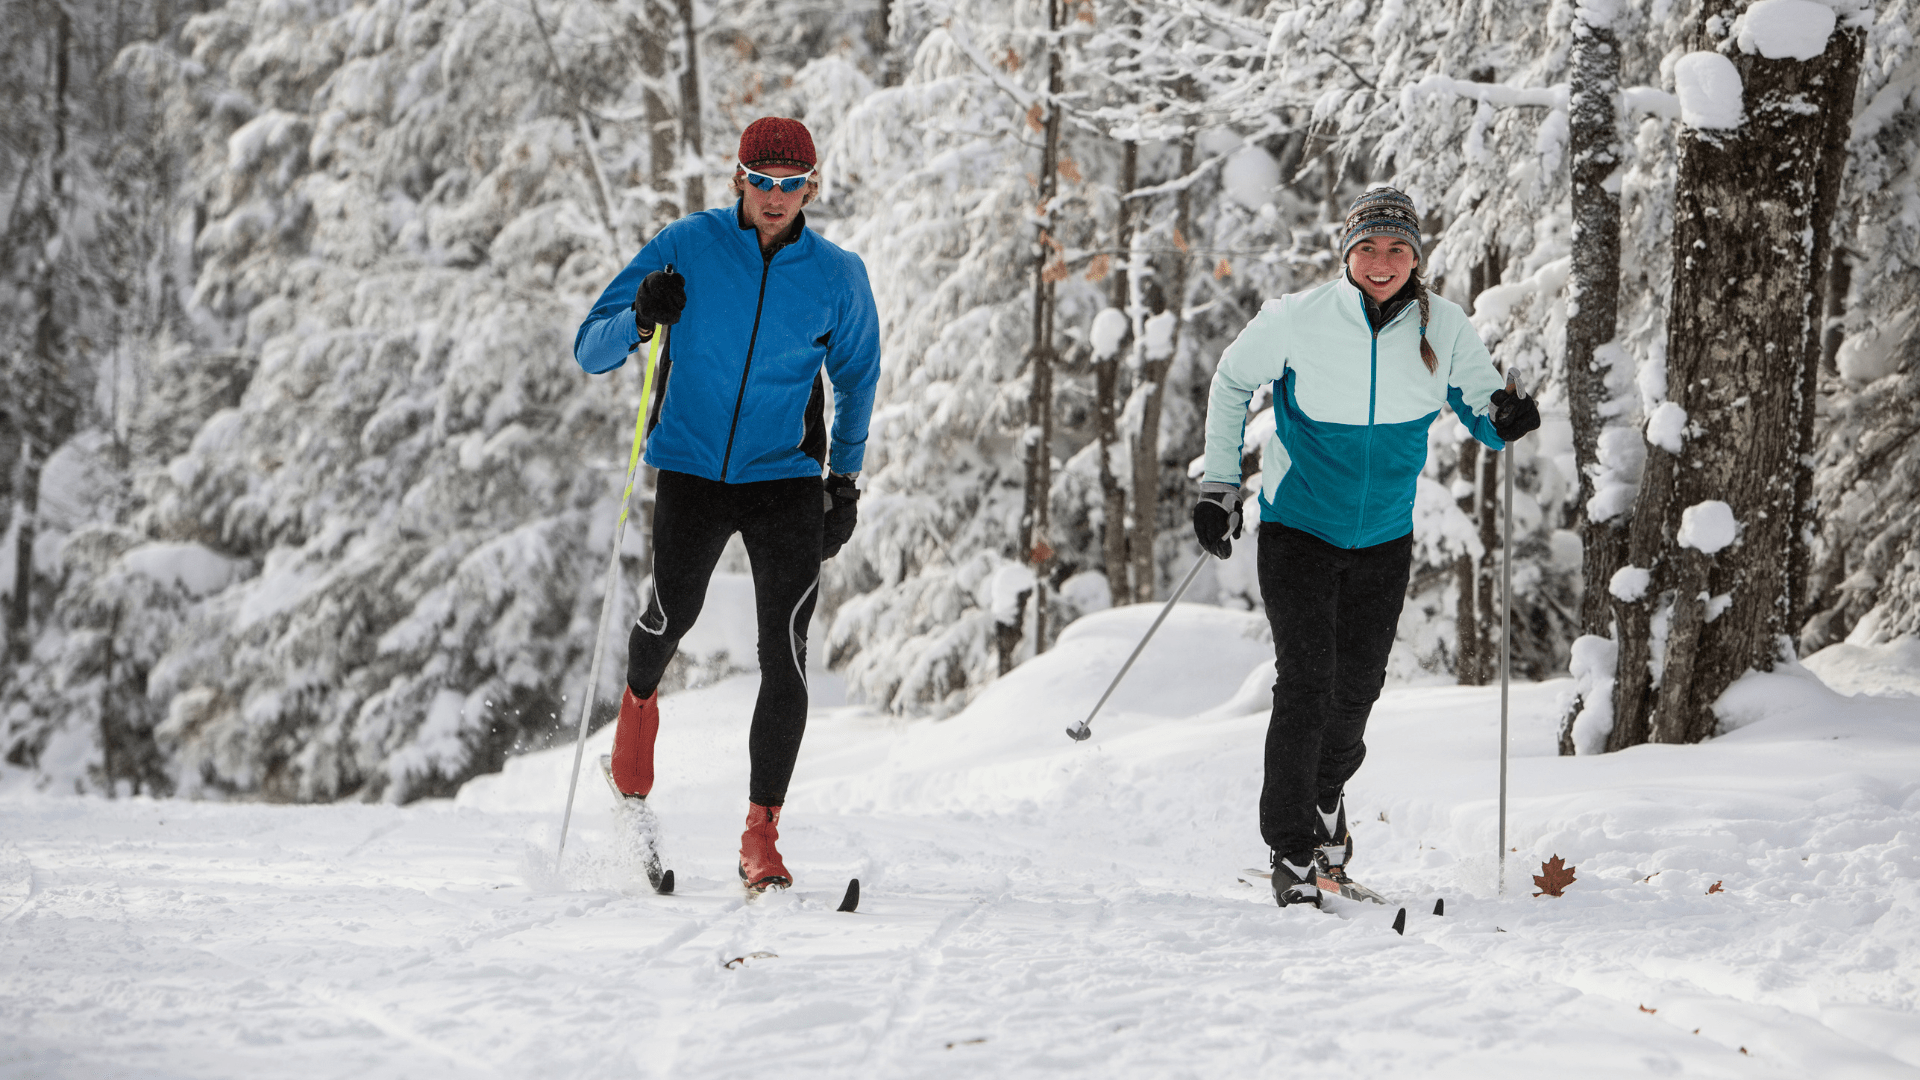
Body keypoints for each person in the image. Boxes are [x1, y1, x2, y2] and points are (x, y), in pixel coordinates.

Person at [1193, 187, 1540, 908]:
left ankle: (1324, 803)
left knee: (1357, 692)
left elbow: (1484, 412)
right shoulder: (1297, 320)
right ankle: (1292, 849)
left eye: (1397, 249)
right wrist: (1220, 486)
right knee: (1307, 684)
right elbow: (1231, 382)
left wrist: (1507, 414)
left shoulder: (1443, 326)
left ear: (1416, 257)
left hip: (1384, 536)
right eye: (1368, 248)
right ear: (1346, 253)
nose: (1382, 262)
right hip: (1299, 530)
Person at [573, 117, 881, 893]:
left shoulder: (838, 277)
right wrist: (642, 314)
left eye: (792, 184)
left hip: (784, 478)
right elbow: (591, 348)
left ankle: (761, 834)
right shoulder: (688, 244)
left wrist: (842, 481)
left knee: (786, 648)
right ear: (736, 177)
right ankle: (634, 723)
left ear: (813, 186)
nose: (776, 198)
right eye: (762, 181)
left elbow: (857, 379)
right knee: (669, 613)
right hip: (691, 469)